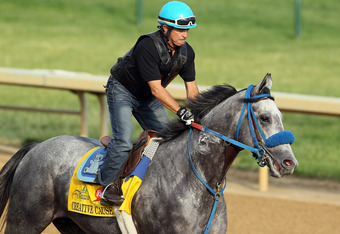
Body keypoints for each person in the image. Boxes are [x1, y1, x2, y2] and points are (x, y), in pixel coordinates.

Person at [99, 1, 199, 206]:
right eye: (180, 29)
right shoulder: (147, 46)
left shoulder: (187, 53)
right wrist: (181, 112)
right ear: (165, 28)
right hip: (122, 91)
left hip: (147, 98)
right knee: (124, 141)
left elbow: (192, 90)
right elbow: (156, 89)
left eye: (187, 30)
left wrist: (199, 114)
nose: (185, 34)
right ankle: (107, 185)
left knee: (170, 141)